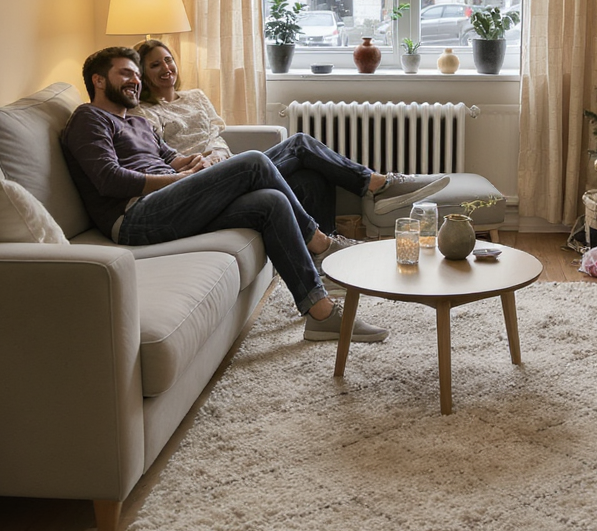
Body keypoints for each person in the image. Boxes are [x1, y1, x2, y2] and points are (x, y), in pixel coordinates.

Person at [61, 47, 399, 342]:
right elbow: (108, 179)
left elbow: (169, 158)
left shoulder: (137, 122)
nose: (135, 81)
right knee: (253, 163)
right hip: (135, 217)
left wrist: (195, 163)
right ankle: (322, 244)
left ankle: (321, 314)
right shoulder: (89, 117)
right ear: (99, 80)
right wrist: (178, 178)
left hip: (171, 200)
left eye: (137, 74)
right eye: (125, 74)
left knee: (272, 202)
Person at [129, 38, 449, 233]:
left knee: (311, 174)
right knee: (299, 144)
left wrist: (217, 153)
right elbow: (160, 157)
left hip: (229, 167)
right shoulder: (144, 113)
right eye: (155, 65)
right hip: (202, 184)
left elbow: (216, 134)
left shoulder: (196, 96)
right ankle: (377, 185)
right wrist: (203, 163)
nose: (166, 68)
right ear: (143, 74)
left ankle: (325, 250)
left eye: (168, 60)